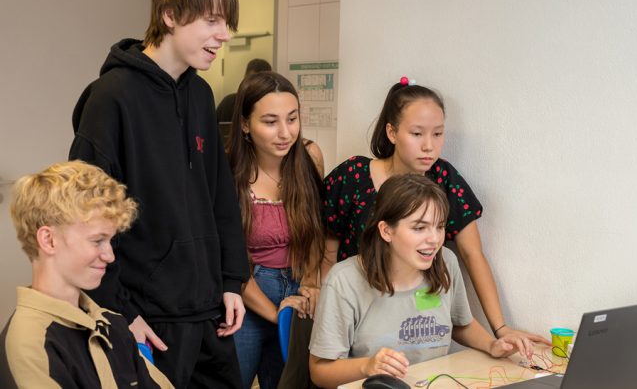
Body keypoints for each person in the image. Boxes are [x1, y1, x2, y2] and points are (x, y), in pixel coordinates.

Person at [68, 0, 250, 387]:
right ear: (169, 15)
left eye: (227, 23)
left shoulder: (201, 94)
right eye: (212, 21)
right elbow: (84, 215)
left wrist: (230, 281)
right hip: (148, 320)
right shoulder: (110, 99)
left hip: (210, 311)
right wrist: (119, 311)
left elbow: (219, 197)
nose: (224, 35)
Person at [322, 78, 548, 344]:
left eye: (438, 134)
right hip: (358, 312)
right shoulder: (353, 175)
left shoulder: (443, 178)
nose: (429, 146)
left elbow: (472, 253)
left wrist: (500, 329)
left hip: (413, 323)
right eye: (417, 134)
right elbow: (327, 250)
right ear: (392, 133)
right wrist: (324, 298)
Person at [310, 174, 534, 388]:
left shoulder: (446, 262)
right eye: (419, 228)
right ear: (386, 230)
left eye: (439, 226)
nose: (434, 239)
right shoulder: (344, 281)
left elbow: (460, 323)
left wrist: (491, 345)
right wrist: (367, 367)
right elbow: (319, 372)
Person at [0, 161, 174, 389]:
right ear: (48, 240)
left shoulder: (114, 324)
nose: (110, 256)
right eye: (97, 241)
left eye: (110, 241)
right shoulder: (29, 344)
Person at [226, 71, 325, 389]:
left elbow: (316, 228)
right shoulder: (228, 173)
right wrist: (276, 314)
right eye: (270, 122)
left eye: (292, 119)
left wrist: (311, 282)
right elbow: (230, 261)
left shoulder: (310, 157)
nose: (285, 133)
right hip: (248, 295)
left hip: (298, 288)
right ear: (244, 124)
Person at [216, 58, 272, 123]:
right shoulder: (228, 102)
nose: (254, 85)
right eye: (251, 79)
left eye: (259, 81)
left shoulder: (272, 106)